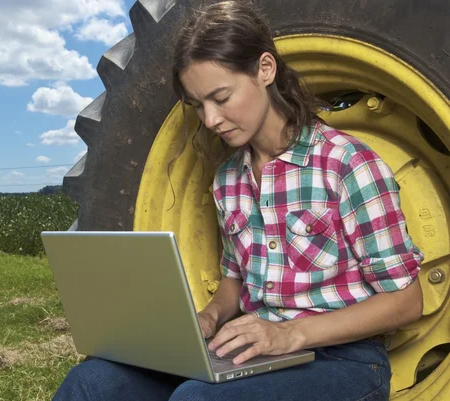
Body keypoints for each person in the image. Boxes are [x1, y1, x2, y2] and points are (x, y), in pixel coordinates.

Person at [52, 1, 424, 400]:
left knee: (196, 399)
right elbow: (234, 278)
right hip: (258, 352)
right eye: (198, 105)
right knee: (91, 383)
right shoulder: (228, 179)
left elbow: (405, 302)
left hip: (345, 361)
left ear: (265, 69)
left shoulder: (348, 164)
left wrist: (289, 333)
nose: (210, 119)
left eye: (221, 97)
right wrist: (209, 316)